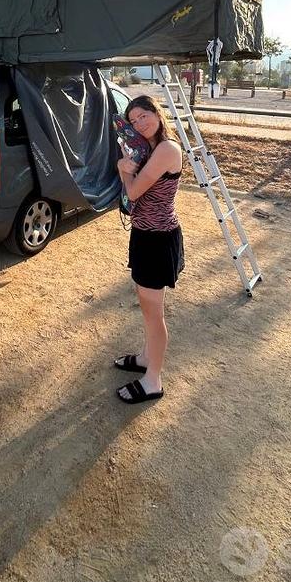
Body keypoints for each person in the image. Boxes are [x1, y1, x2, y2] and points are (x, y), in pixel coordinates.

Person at [115, 94, 184, 404]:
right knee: (147, 308)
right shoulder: (149, 149)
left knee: (154, 315)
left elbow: (133, 192)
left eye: (144, 115)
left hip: (158, 239)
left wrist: (122, 168)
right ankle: (146, 357)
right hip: (146, 236)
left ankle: (153, 380)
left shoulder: (167, 150)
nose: (139, 123)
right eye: (133, 121)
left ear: (157, 114)